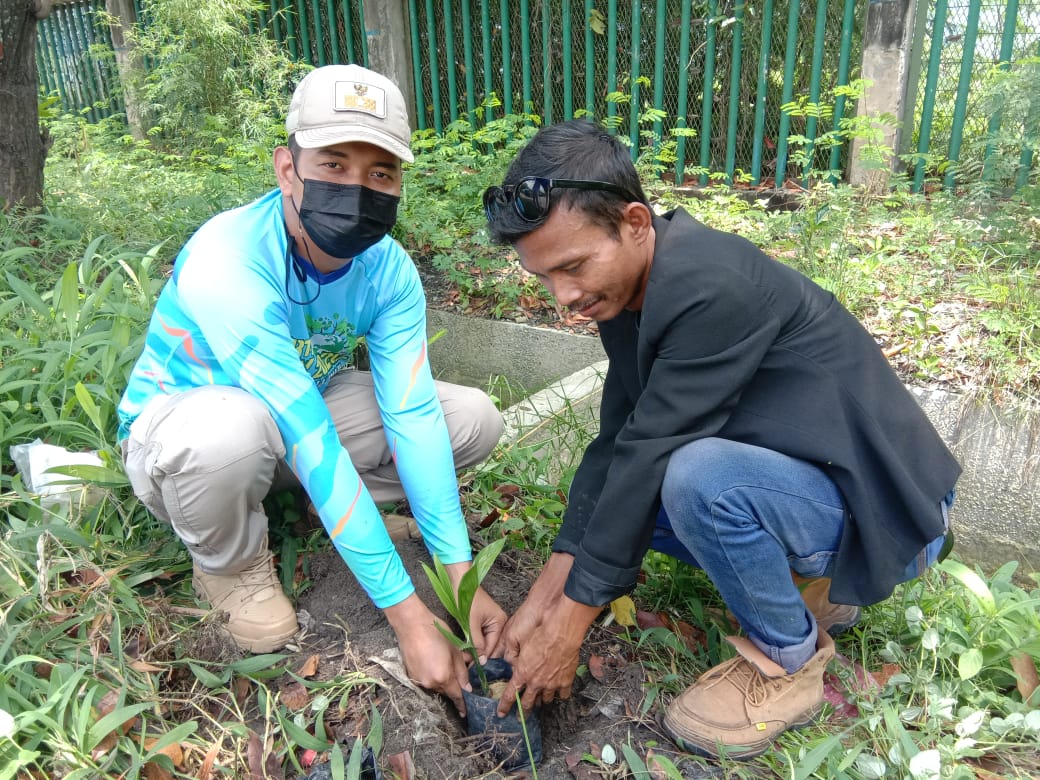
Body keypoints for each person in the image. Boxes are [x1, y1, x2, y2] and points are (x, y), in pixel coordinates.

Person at [483, 120, 960, 759]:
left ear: (634, 221)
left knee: (695, 478)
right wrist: (540, 605)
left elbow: (653, 451)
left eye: (572, 267)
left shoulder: (711, 285)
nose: (564, 296)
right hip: (819, 487)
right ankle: (816, 591)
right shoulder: (630, 290)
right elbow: (619, 443)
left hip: (893, 511)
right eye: (544, 277)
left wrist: (567, 631)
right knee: (632, 490)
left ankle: (787, 662)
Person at [117, 64, 506, 714]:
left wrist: (460, 580)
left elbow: (409, 412)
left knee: (469, 417)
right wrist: (410, 618)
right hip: (188, 436)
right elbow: (311, 439)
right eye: (333, 163)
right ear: (287, 169)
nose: (358, 190)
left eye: (381, 172)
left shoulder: (388, 271)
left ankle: (303, 507)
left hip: (290, 424)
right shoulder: (230, 258)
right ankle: (230, 565)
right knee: (229, 435)